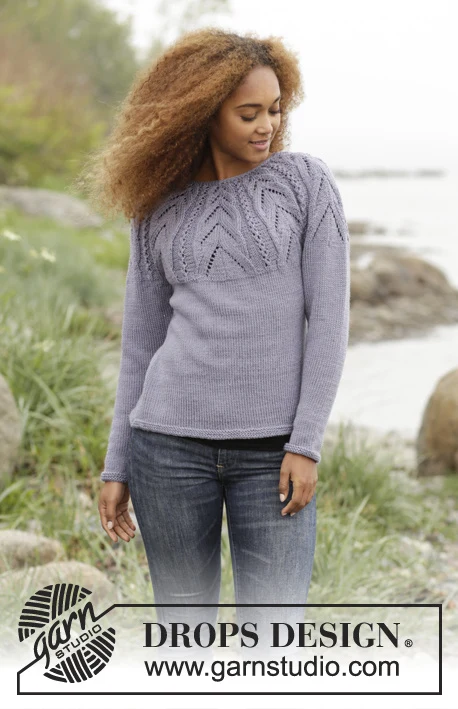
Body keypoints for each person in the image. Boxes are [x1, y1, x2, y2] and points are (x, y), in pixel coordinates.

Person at [84, 27, 351, 661]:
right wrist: (117, 465)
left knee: (276, 645)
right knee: (184, 643)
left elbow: (330, 323)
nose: (268, 125)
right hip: (167, 449)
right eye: (248, 113)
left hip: (273, 457)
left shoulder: (304, 183)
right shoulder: (157, 206)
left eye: (275, 109)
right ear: (204, 112)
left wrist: (305, 444)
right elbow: (141, 345)